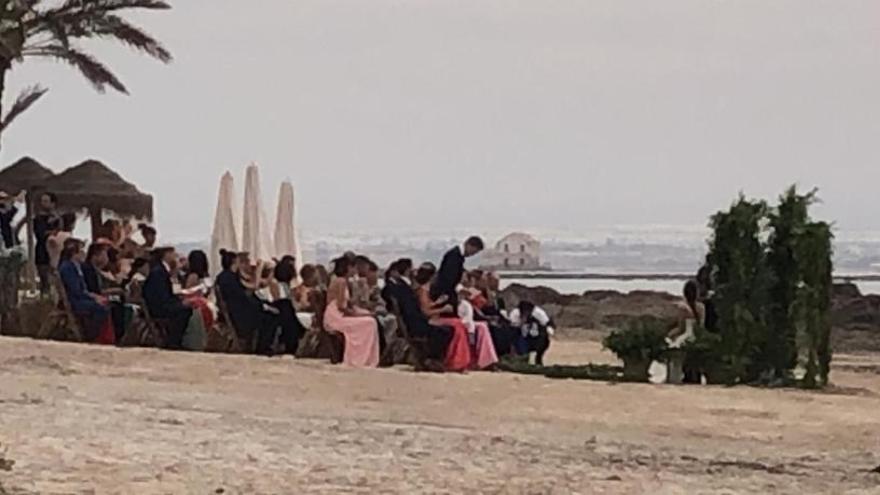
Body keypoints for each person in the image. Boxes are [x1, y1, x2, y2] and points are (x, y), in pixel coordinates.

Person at [382, 259, 452, 367]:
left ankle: (428, 359)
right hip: (414, 323)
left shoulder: (399, 286)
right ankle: (430, 359)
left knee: (443, 330)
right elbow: (414, 310)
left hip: (411, 321)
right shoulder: (404, 288)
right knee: (444, 331)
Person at [215, 249, 279, 356]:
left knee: (271, 315)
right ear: (235, 262)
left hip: (240, 313)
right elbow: (252, 288)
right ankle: (263, 347)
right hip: (242, 317)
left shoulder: (226, 277)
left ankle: (263, 346)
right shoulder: (229, 278)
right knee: (270, 318)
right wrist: (258, 270)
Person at [323, 256, 380, 367]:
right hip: (336, 316)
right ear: (348, 268)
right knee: (369, 323)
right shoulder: (341, 281)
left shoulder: (340, 281)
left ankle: (365, 357)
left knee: (370, 321)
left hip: (337, 313)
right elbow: (341, 306)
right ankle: (360, 358)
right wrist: (357, 314)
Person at [57, 239, 113, 343]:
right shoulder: (68, 267)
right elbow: (76, 291)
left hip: (79, 298)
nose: (84, 252)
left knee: (105, 305)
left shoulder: (75, 266)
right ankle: (91, 336)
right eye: (81, 250)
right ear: (75, 253)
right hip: (74, 301)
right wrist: (94, 298)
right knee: (100, 309)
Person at [142, 247, 193, 350]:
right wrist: (180, 303)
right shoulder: (159, 272)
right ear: (166, 254)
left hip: (161, 303)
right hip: (159, 307)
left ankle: (175, 340)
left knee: (185, 307)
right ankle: (174, 341)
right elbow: (162, 296)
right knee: (184, 311)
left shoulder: (161, 270)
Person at [666, 280, 706, 385]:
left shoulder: (683, 307)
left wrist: (670, 334)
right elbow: (701, 325)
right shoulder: (701, 307)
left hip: (686, 335)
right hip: (697, 336)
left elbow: (681, 327)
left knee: (672, 343)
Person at [431, 236, 484, 306]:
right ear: (469, 245)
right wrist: (459, 289)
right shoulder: (454, 256)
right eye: (473, 252)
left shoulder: (458, 256)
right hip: (444, 294)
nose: (472, 255)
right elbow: (448, 278)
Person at [270, 258, 308, 354]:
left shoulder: (288, 285)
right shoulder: (275, 283)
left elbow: (292, 299)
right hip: (278, 308)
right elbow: (277, 298)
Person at [508, 300, 554, 366]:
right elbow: (512, 329)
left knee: (544, 341)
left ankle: (538, 358)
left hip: (537, 337)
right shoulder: (515, 314)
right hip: (522, 338)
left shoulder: (539, 313)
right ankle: (523, 359)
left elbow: (548, 324)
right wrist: (521, 323)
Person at [34, 192, 62, 295]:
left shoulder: (58, 219)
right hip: (42, 253)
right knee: (45, 281)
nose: (43, 204)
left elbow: (61, 234)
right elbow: (40, 235)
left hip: (56, 254)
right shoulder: (38, 218)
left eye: (46, 201)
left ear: (53, 203)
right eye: (42, 201)